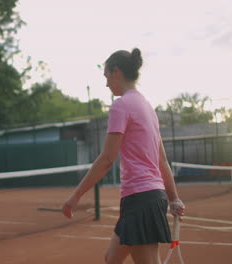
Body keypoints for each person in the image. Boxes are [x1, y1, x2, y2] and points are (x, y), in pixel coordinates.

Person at [62, 48, 186, 264]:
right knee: (111, 258)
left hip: (140, 199)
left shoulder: (121, 106)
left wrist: (75, 196)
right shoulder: (147, 107)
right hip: (146, 198)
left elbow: (107, 159)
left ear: (116, 71)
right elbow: (162, 160)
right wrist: (173, 197)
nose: (106, 84)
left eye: (106, 76)